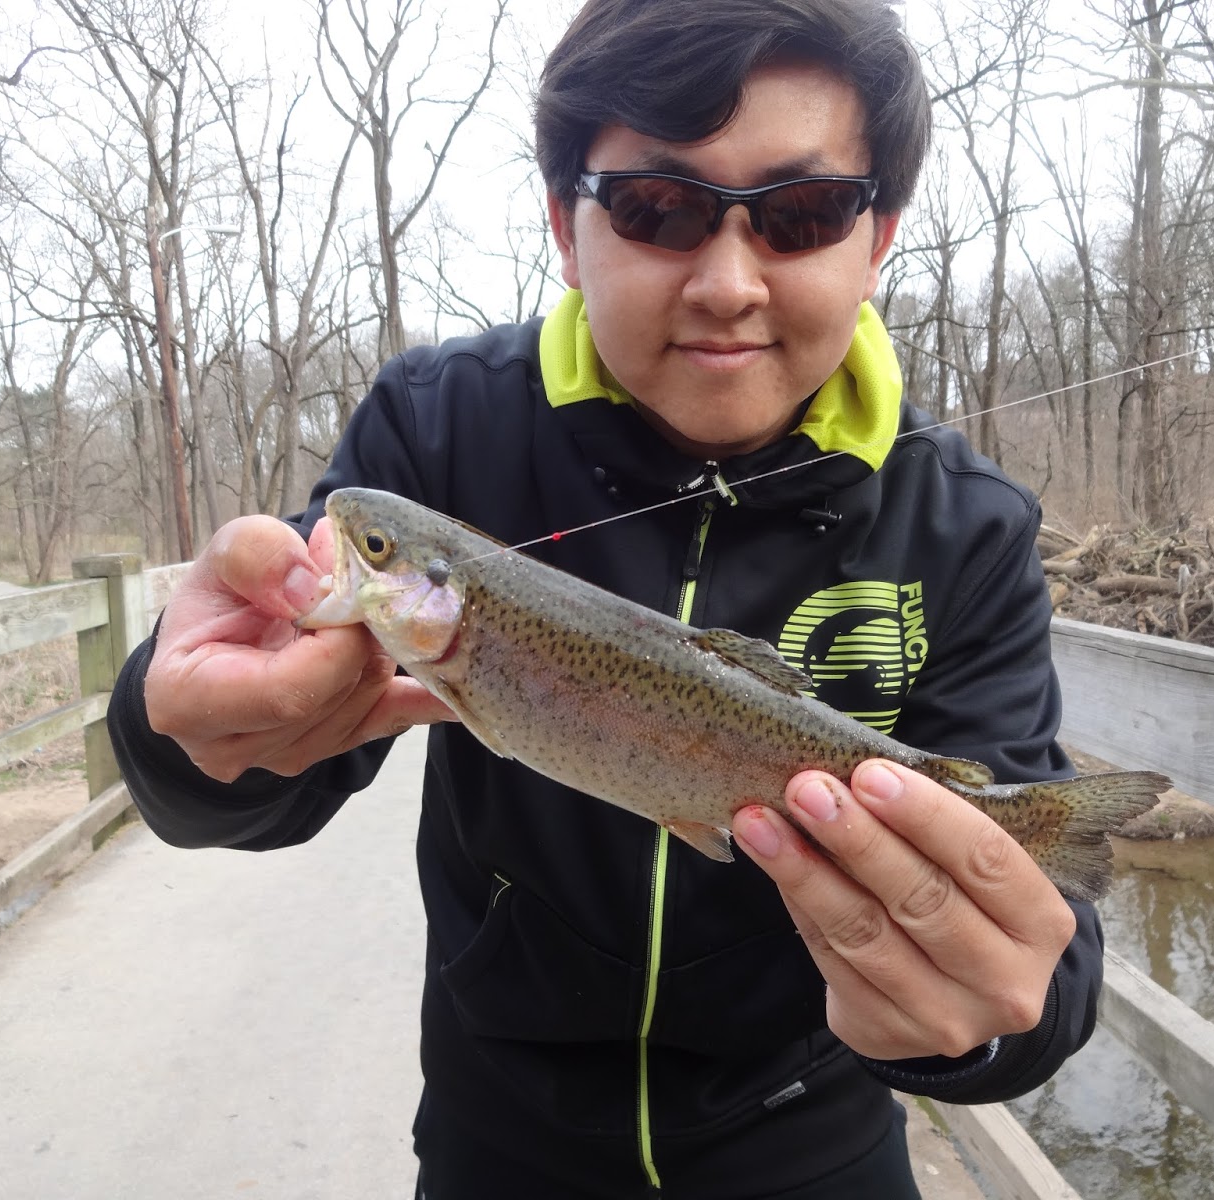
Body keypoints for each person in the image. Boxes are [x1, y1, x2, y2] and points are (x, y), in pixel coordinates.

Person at [107, 2, 1103, 1196]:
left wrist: (977, 1027)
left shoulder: (968, 521)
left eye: (800, 213)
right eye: (657, 208)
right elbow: (257, 790)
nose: (728, 285)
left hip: (816, 1151)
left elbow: (1044, 980)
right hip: (498, 1143)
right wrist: (182, 741)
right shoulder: (435, 429)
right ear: (566, 228)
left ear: (876, 233)